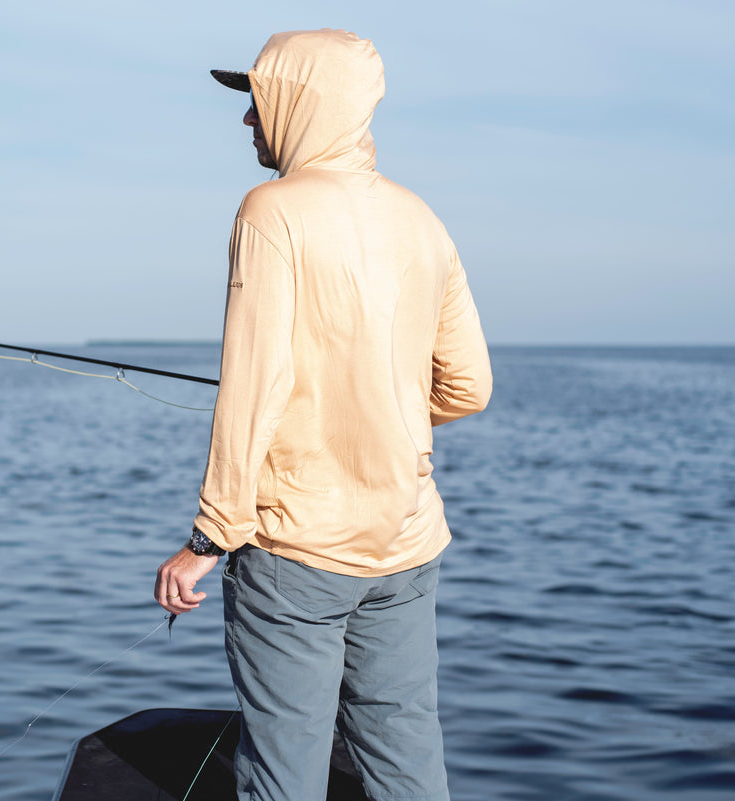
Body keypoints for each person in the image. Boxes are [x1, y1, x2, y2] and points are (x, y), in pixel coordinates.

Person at [154, 29, 492, 801]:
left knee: (285, 773)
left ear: (300, 102)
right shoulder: (422, 218)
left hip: (294, 548)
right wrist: (378, 423)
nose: (248, 120)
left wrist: (210, 537)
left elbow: (253, 385)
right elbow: (469, 385)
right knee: (408, 763)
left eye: (258, 100)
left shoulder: (271, 212)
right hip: (408, 541)